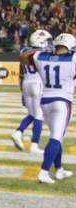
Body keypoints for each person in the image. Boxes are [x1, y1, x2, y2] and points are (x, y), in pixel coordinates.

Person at [30, 32, 75, 184]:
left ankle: (59, 169)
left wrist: (45, 52)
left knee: (56, 136)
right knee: (56, 137)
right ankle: (43, 172)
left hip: (45, 101)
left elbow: (23, 58)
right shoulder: (73, 58)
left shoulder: (40, 56)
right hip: (62, 102)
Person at [12, 29, 50, 153]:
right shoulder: (43, 53)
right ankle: (34, 145)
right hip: (38, 83)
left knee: (32, 114)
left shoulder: (24, 51)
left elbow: (21, 74)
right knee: (39, 115)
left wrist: (22, 92)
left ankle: (18, 132)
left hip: (26, 84)